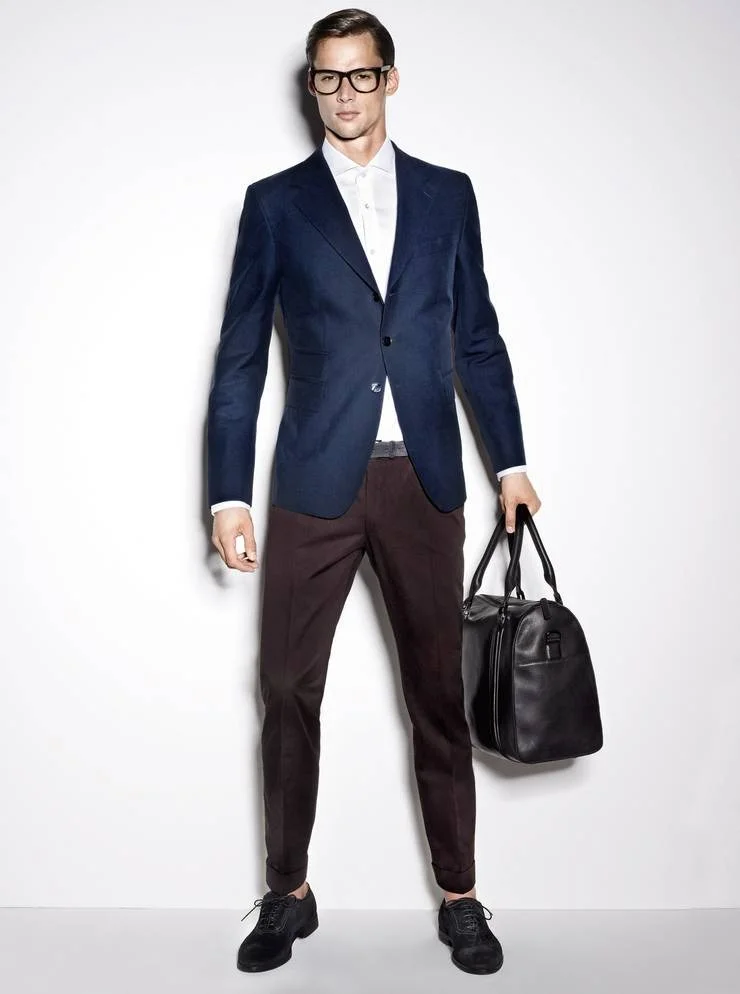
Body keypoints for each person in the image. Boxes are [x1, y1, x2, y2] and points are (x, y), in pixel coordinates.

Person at [207, 6, 541, 976]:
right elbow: (238, 358)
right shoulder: (274, 204)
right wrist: (228, 493)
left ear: (390, 79)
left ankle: (460, 895)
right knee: (285, 688)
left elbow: (476, 337)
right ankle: (288, 891)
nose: (344, 92)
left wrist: (509, 462)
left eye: (360, 74)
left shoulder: (447, 195)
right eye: (327, 76)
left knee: (437, 693)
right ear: (309, 85)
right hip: (313, 479)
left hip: (421, 479)